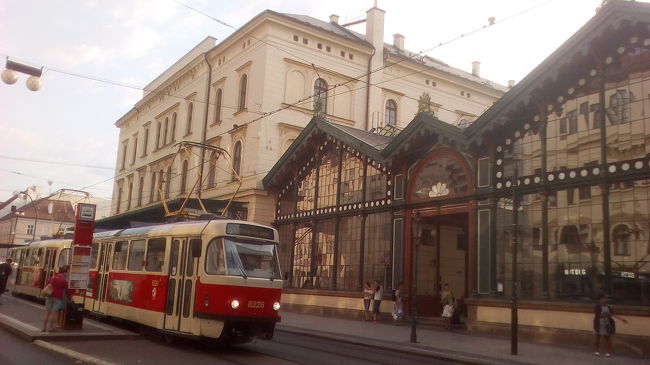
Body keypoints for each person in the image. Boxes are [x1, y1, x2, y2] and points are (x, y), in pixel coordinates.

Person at [42, 265, 69, 332]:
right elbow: (67, 290)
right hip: (57, 298)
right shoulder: (64, 280)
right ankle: (51, 328)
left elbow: (47, 284)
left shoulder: (53, 277)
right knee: (54, 313)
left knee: (47, 312)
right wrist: (70, 297)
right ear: (64, 273)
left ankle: (44, 327)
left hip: (49, 296)